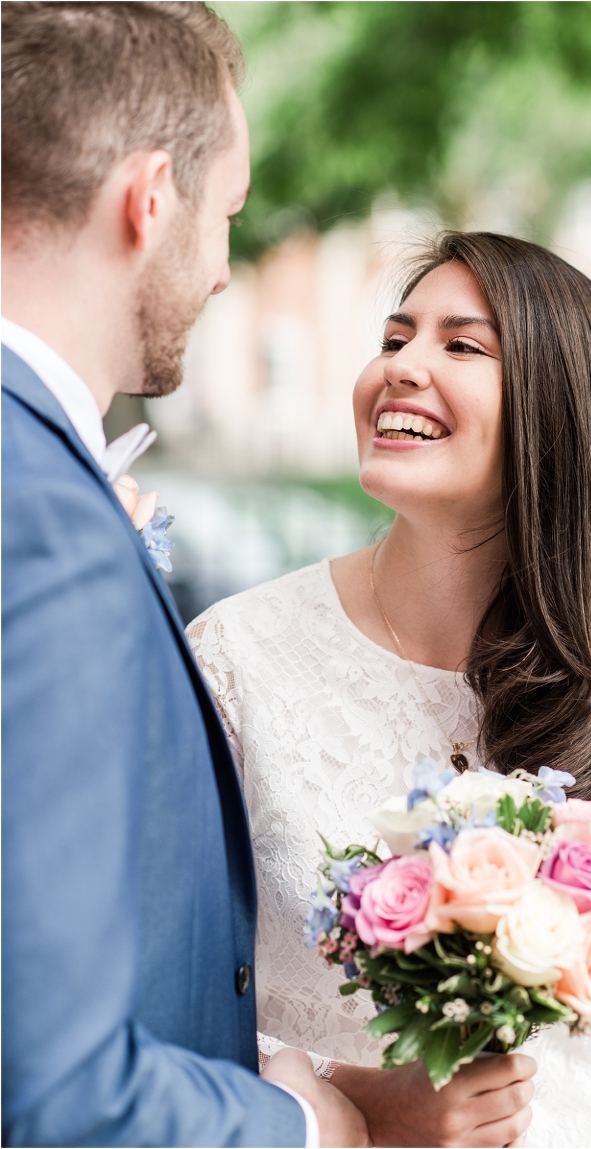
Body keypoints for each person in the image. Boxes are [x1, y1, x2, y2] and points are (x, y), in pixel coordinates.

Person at [189, 231, 591, 1148]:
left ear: (562, 414)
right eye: (395, 339)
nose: (401, 367)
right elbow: (166, 1003)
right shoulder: (236, 657)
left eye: (460, 345)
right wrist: (345, 1101)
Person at [2, 4, 369, 1145]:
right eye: (228, 217)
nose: (222, 271)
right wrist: (307, 1129)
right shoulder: (44, 520)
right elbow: (55, 1093)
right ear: (150, 198)